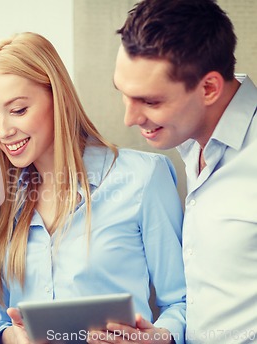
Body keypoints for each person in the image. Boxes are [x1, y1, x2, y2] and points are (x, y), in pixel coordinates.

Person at [0, 31, 186, 344]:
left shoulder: (143, 177)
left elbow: (183, 301)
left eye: (18, 110)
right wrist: (9, 337)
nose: (2, 131)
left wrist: (159, 338)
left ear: (57, 98)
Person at [114, 0, 257, 342]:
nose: (130, 118)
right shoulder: (190, 141)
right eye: (124, 95)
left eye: (150, 101)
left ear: (208, 88)